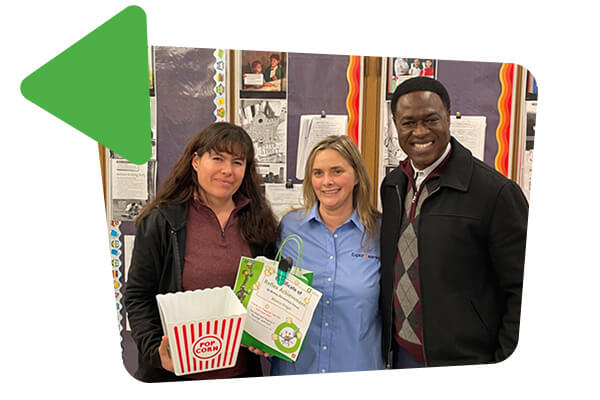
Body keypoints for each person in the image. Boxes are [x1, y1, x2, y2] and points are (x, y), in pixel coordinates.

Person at [380, 77, 528, 368]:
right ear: (396, 124)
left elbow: (522, 289)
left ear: (448, 117)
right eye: (408, 122)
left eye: (431, 119)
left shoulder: (495, 193)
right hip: (400, 356)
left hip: (466, 363)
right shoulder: (393, 186)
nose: (420, 132)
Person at [124, 122, 279, 382]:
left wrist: (264, 333)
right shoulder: (162, 221)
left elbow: (266, 294)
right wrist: (155, 351)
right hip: (176, 376)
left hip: (239, 374)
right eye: (217, 158)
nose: (227, 170)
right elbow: (138, 296)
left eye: (237, 162)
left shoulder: (259, 222)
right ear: (196, 161)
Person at [267, 135, 384, 375]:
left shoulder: (381, 232)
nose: (326, 181)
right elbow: (269, 293)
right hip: (295, 375)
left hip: (358, 376)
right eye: (317, 173)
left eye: (337, 171)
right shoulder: (289, 227)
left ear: (357, 176)